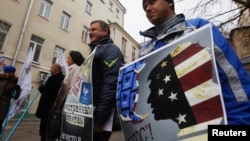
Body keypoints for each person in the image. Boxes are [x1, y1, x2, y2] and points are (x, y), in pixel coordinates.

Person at [140, 0, 250, 125]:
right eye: (145, 7)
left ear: (169, 2)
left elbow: (231, 77)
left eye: (152, 2)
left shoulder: (197, 28)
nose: (148, 8)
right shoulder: (144, 51)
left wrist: (240, 121)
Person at [88, 20, 124, 141]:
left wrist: (99, 119)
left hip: (98, 119)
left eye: (94, 29)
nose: (90, 32)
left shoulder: (110, 50)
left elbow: (111, 85)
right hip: (87, 113)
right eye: (89, 30)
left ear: (105, 31)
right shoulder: (95, 51)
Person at [47, 50, 84, 140]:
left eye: (69, 58)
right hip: (60, 107)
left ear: (74, 59)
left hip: (63, 107)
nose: (67, 60)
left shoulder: (75, 69)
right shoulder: (69, 69)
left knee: (55, 134)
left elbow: (72, 88)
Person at [35, 63, 65, 141]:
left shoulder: (60, 78)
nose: (50, 70)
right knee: (43, 128)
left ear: (56, 69)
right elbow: (46, 91)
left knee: (47, 129)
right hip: (45, 108)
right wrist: (42, 88)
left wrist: (44, 89)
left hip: (49, 108)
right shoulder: (51, 77)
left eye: (51, 68)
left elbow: (51, 92)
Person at [0, 65, 21, 134]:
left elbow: (15, 97)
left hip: (3, 106)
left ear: (13, 73)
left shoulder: (15, 82)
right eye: (6, 72)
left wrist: (17, 90)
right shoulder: (0, 78)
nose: (7, 74)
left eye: (10, 73)